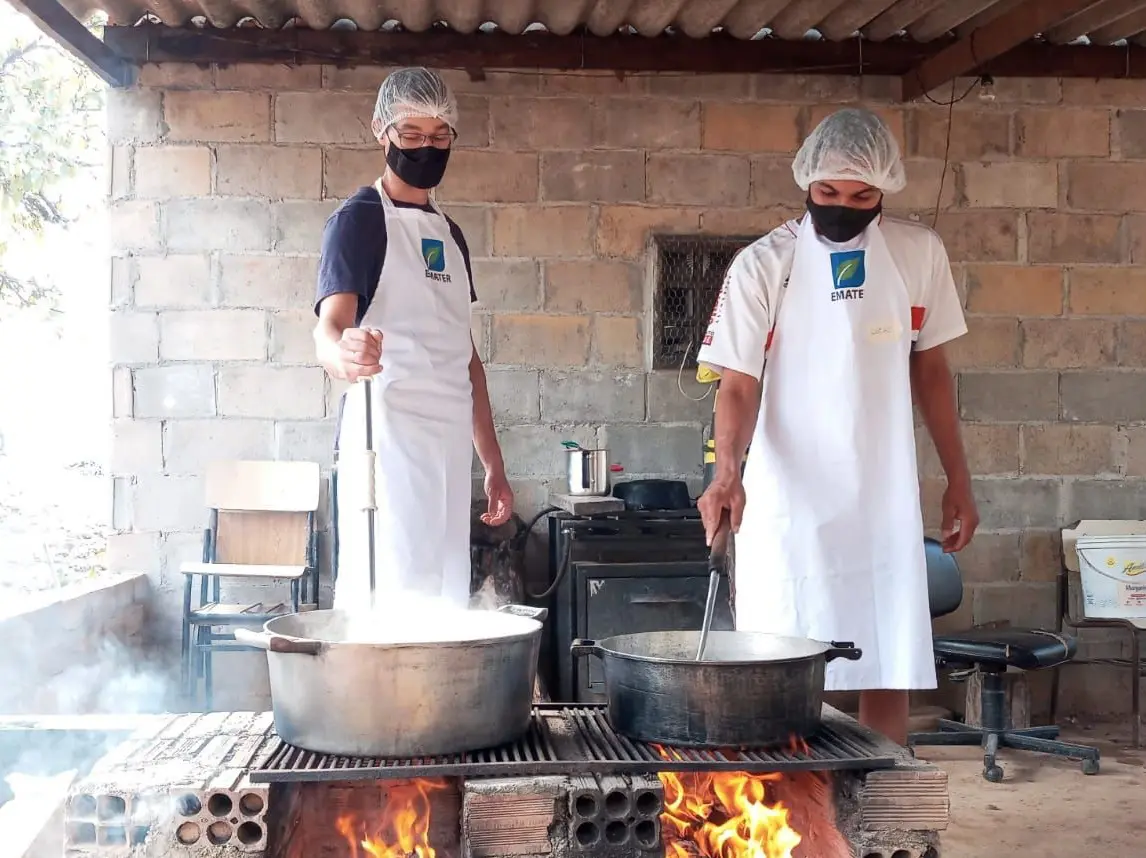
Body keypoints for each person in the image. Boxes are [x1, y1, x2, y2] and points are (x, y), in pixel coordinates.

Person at [695, 107, 979, 745]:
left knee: (888, 652)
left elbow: (930, 371)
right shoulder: (763, 264)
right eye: (828, 193)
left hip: (882, 491)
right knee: (785, 651)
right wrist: (727, 475)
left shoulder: (917, 253)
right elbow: (738, 383)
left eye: (862, 195)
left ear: (885, 190)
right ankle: (789, 798)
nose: (843, 206)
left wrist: (959, 477)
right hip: (789, 495)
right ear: (805, 183)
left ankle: (885, 803)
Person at [312, 67, 513, 611]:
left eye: (439, 135)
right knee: (393, 598)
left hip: (448, 444)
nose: (427, 147)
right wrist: (345, 354)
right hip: (388, 441)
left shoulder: (451, 235)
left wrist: (491, 464)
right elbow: (327, 332)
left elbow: (466, 359)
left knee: (445, 597)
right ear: (382, 131)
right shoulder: (357, 221)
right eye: (412, 135)